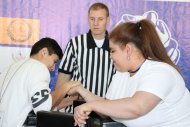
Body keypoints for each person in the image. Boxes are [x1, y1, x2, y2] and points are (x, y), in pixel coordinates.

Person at [67, 19, 190, 127]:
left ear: (128, 50)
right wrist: (81, 90)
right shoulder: (121, 75)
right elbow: (107, 108)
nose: (110, 56)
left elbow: (136, 107)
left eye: (112, 51)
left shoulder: (160, 72)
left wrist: (90, 106)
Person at [0, 37, 80, 127]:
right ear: (44, 52)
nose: (53, 68)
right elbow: (44, 107)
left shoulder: (10, 68)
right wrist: (67, 86)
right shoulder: (38, 67)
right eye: (54, 61)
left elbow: (39, 101)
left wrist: (72, 100)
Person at [55, 2, 115, 112]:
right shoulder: (75, 43)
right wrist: (56, 106)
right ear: (88, 19)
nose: (95, 23)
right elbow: (63, 78)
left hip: (105, 109)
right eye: (92, 19)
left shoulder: (115, 44)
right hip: (77, 109)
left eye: (100, 19)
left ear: (108, 20)